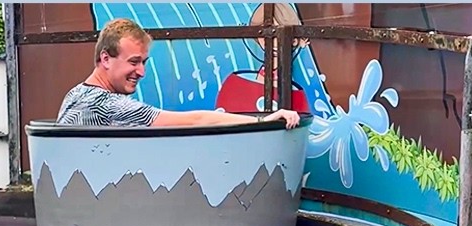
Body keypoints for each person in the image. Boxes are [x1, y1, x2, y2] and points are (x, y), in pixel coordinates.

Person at [56, 18, 301, 129]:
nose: (141, 72)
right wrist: (263, 122)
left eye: (144, 62)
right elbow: (197, 121)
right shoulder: (110, 106)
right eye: (134, 62)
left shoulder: (75, 95)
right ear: (105, 59)